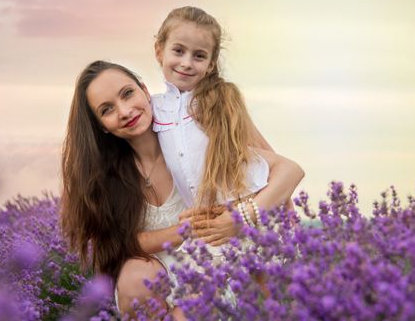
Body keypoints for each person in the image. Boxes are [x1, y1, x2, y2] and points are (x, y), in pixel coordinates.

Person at [61, 60, 304, 319]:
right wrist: (184, 230)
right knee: (133, 278)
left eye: (127, 93)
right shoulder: (105, 173)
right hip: (165, 265)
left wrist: (246, 219)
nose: (124, 111)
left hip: (217, 257)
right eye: (107, 109)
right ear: (101, 126)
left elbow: (284, 172)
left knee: (186, 313)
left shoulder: (195, 127)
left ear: (144, 89)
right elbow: (120, 244)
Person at [152, 6, 298, 243]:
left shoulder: (221, 101)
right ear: (159, 51)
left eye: (199, 55)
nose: (187, 63)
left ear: (211, 64)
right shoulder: (152, 109)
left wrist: (288, 213)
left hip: (247, 217)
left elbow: (268, 159)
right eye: (178, 51)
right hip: (207, 230)